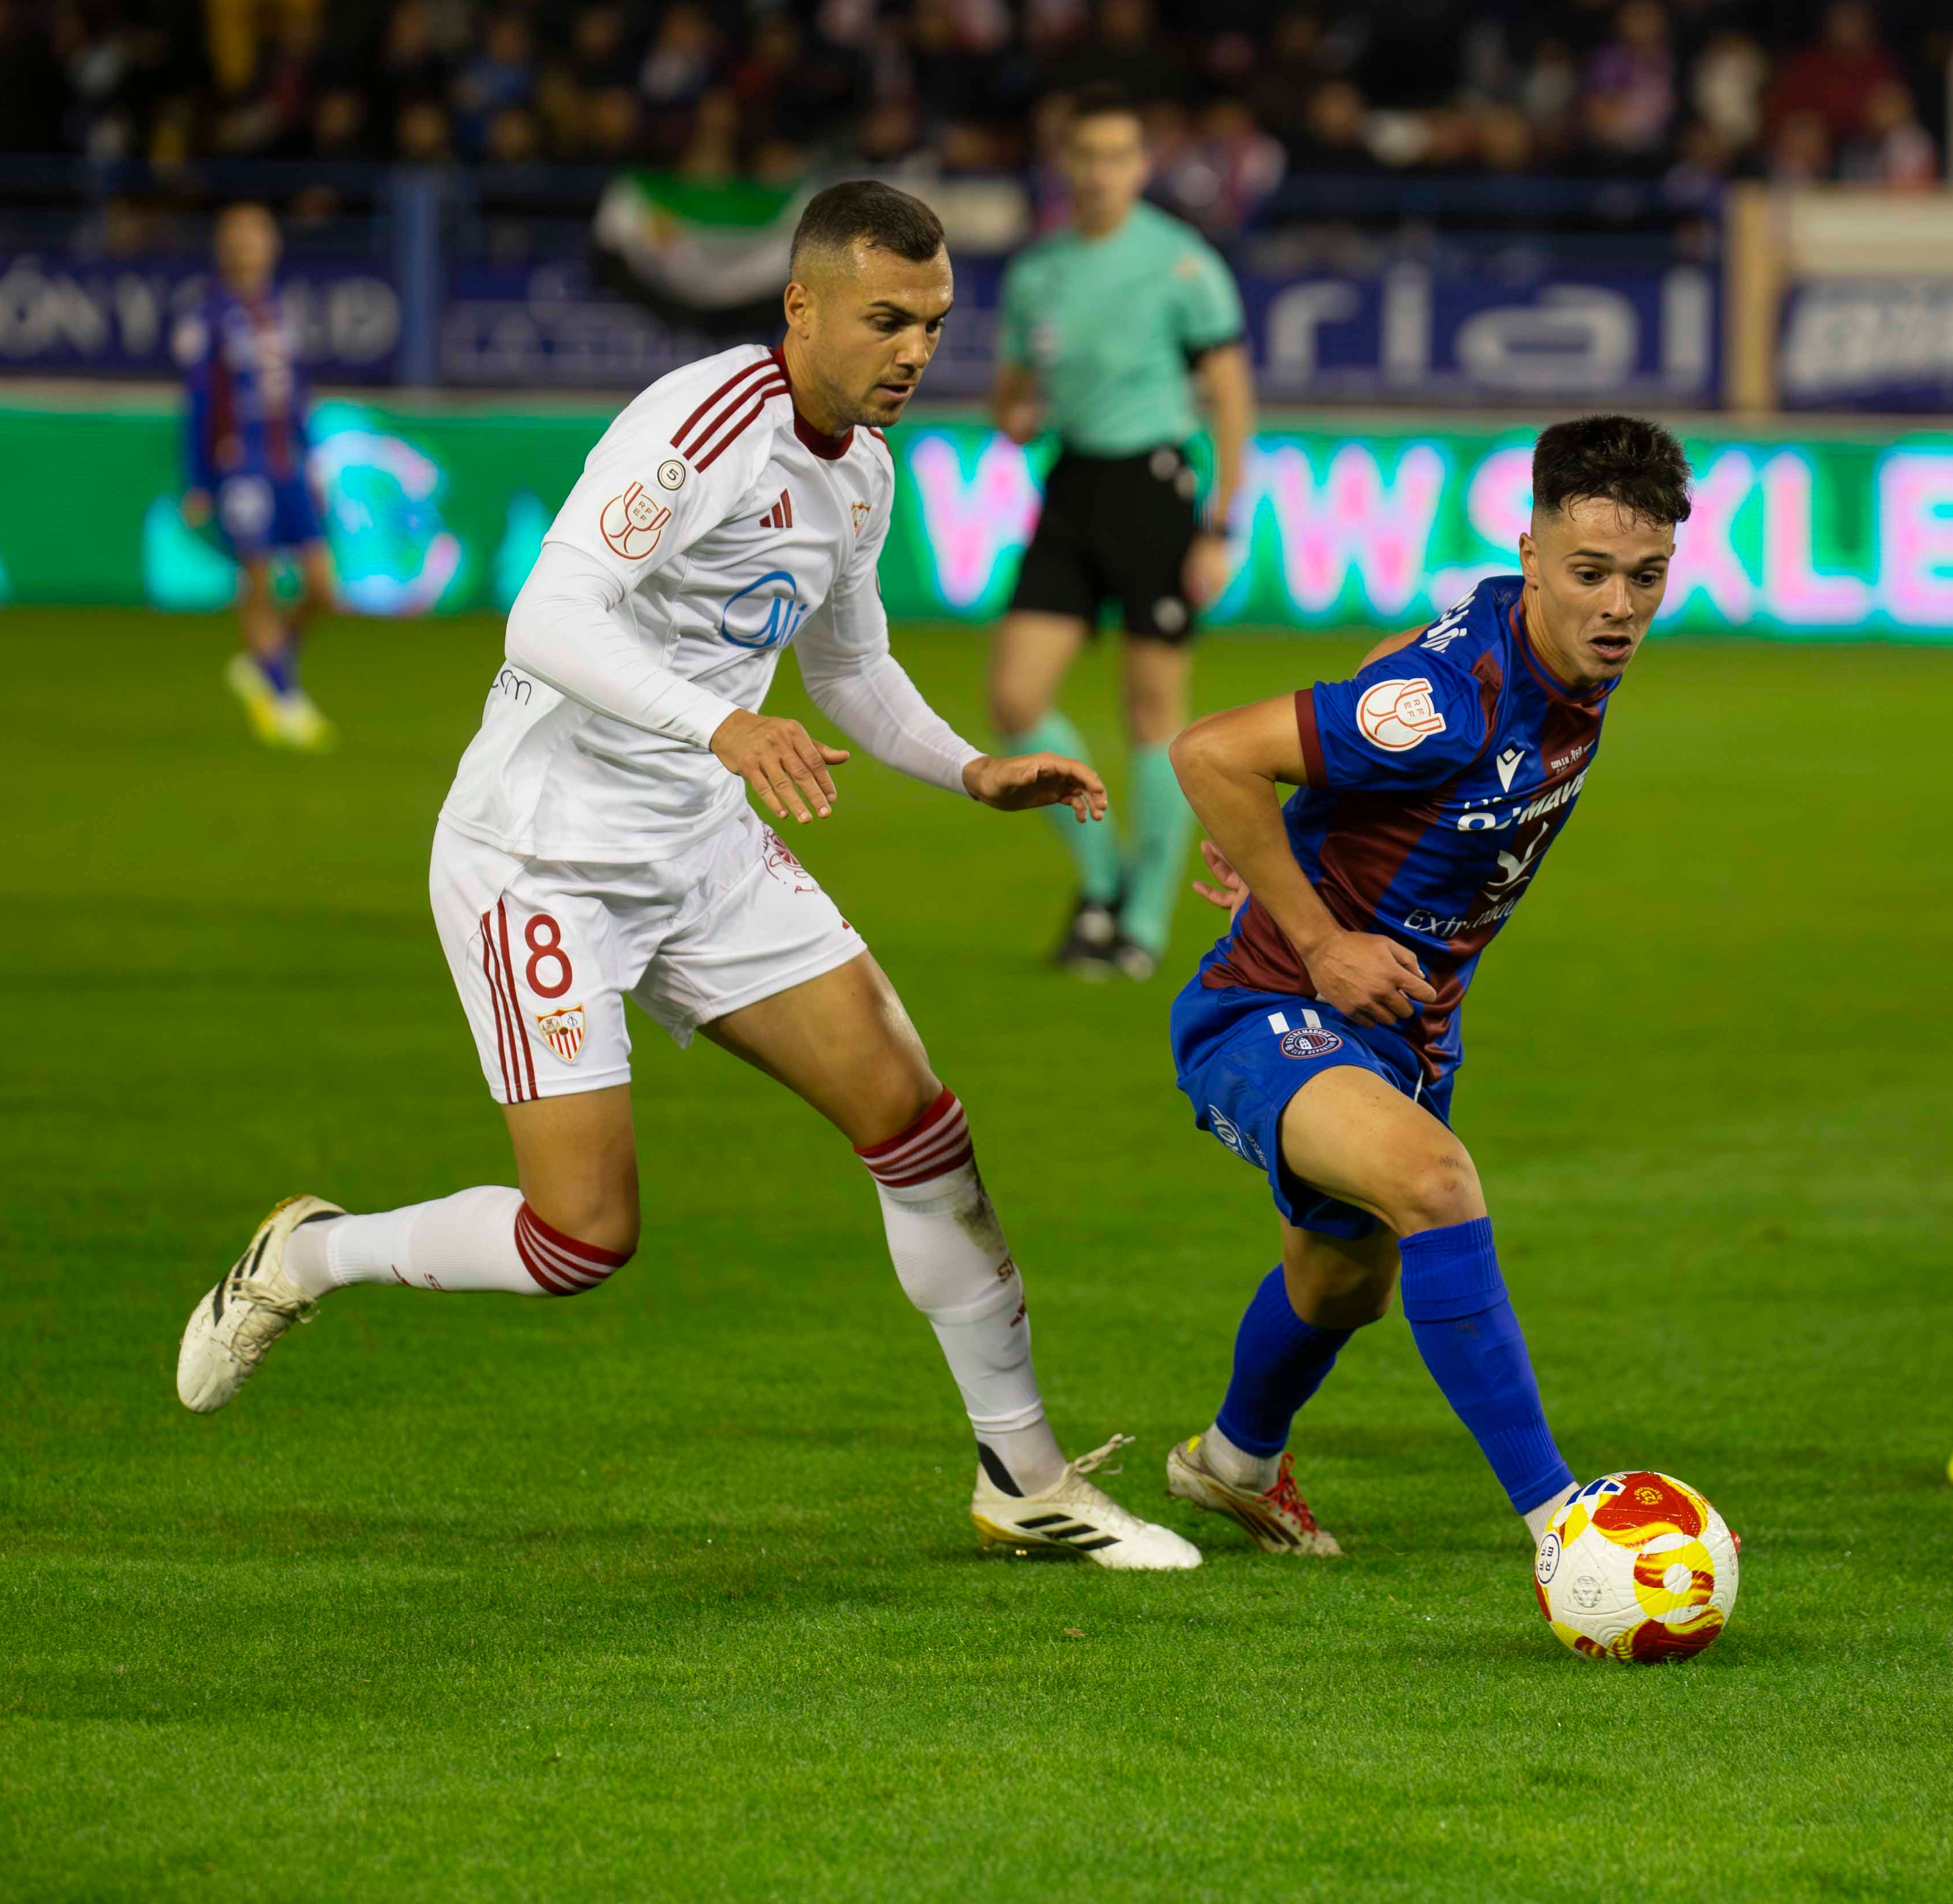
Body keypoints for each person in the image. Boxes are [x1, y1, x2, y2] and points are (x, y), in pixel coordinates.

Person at [174, 181, 1200, 1570]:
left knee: (918, 1126)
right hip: (541, 863)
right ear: (801, 307)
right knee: (579, 1239)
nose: (914, 350)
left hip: (702, 852)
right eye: (885, 320)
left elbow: (850, 669)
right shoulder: (704, 424)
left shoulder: (863, 471)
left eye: (933, 323)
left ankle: (1023, 1477)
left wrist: (969, 769)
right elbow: (548, 615)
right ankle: (312, 1254)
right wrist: (721, 724)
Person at [1155, 416, 1690, 1554]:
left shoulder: (1542, 642)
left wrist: (1301, 820)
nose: (1618, 607)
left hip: (1406, 1024)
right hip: (1271, 1004)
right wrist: (1314, 934)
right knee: (1436, 1185)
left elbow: (1384, 666)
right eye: (1589, 573)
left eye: (1645, 577)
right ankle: (1566, 1525)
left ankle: (1233, 1464)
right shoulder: (1455, 698)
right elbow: (1208, 751)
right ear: (1531, 554)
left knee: (1345, 1285)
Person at [988, 84, 1255, 982]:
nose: (1100, 172)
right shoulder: (1038, 273)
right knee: (1015, 700)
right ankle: (1102, 884)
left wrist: (1222, 522)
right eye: (1086, 155)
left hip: (1155, 489)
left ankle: (1139, 921)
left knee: (1154, 713)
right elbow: (1011, 396)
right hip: (1072, 486)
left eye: (1117, 155)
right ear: (1065, 164)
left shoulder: (1182, 264)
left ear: (1142, 166)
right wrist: (1016, 415)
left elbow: (1231, 400)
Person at [178, 203, 339, 751]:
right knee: (261, 580)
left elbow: (296, 396)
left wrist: (313, 459)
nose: (250, 244)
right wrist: (198, 480)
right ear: (225, 247)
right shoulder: (210, 317)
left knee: (323, 587)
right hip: (239, 466)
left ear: (273, 244)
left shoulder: (280, 312)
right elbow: (200, 402)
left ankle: (267, 663)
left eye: (258, 234)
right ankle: (283, 695)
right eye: (240, 235)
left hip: (286, 464)